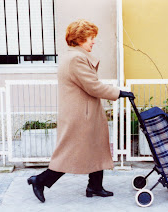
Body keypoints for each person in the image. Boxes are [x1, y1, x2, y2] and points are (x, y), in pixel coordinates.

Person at [27, 19, 134, 203]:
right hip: (81, 116)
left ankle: (95, 186)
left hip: (83, 113)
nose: (93, 41)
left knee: (96, 148)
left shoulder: (73, 56)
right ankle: (41, 180)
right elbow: (93, 86)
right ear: (80, 38)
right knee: (70, 152)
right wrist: (119, 92)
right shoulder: (76, 58)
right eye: (91, 37)